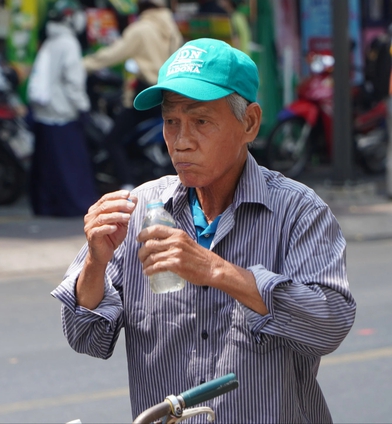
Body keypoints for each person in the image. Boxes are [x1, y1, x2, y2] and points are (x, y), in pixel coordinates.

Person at [51, 38, 356, 422]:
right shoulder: (141, 208)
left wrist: (217, 271)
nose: (181, 142)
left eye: (200, 122)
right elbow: (85, 336)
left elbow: (330, 324)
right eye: (170, 122)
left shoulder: (298, 211)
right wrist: (96, 261)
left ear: (249, 123)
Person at [82, 0, 182, 191]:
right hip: (167, 94)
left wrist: (83, 65)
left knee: (112, 140)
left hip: (145, 94)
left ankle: (127, 183)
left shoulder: (140, 29)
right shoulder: (171, 29)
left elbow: (112, 54)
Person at [26, 0, 97, 217]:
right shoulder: (68, 44)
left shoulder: (50, 42)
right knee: (70, 168)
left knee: (48, 169)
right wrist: (83, 108)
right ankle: (74, 206)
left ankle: (48, 207)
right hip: (62, 114)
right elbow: (73, 82)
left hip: (44, 114)